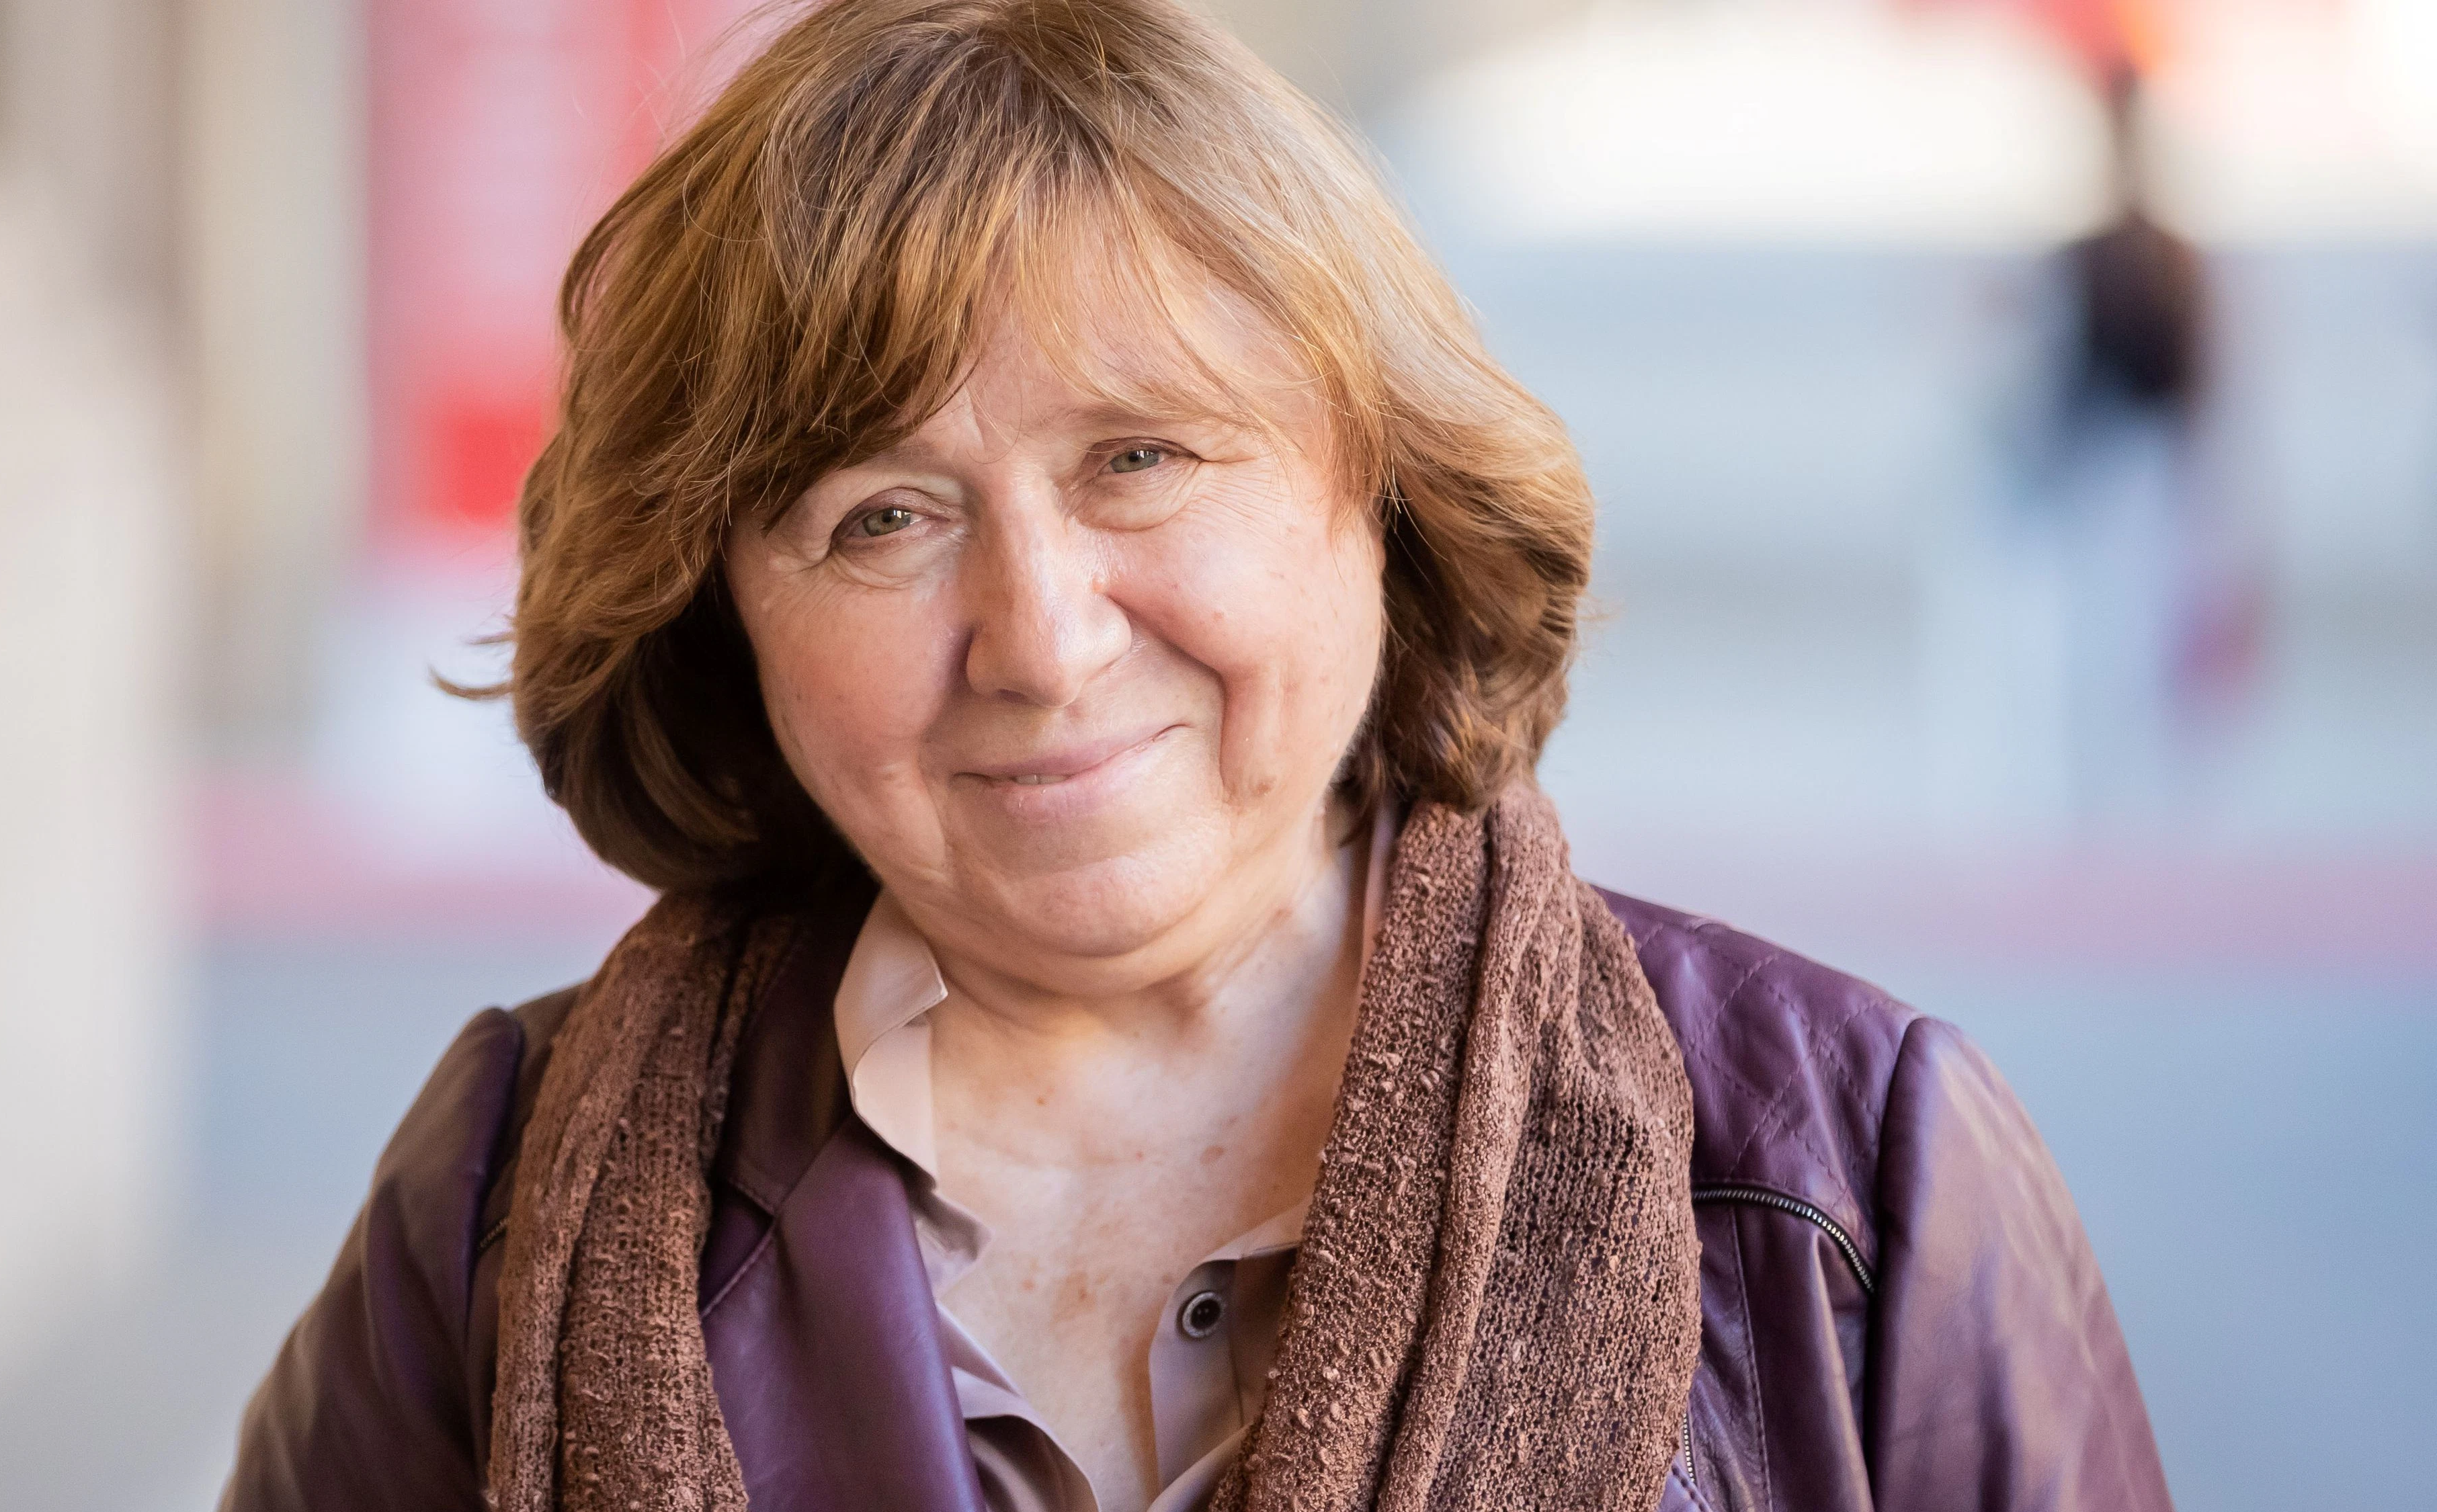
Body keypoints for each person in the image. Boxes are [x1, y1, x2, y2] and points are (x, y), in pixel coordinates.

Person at [220, 2, 2172, 1509]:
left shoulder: (1849, 1171)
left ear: (1378, 490)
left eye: (1138, 459)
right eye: (880, 518)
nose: (1043, 636)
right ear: (722, 612)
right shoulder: (501, 1197)